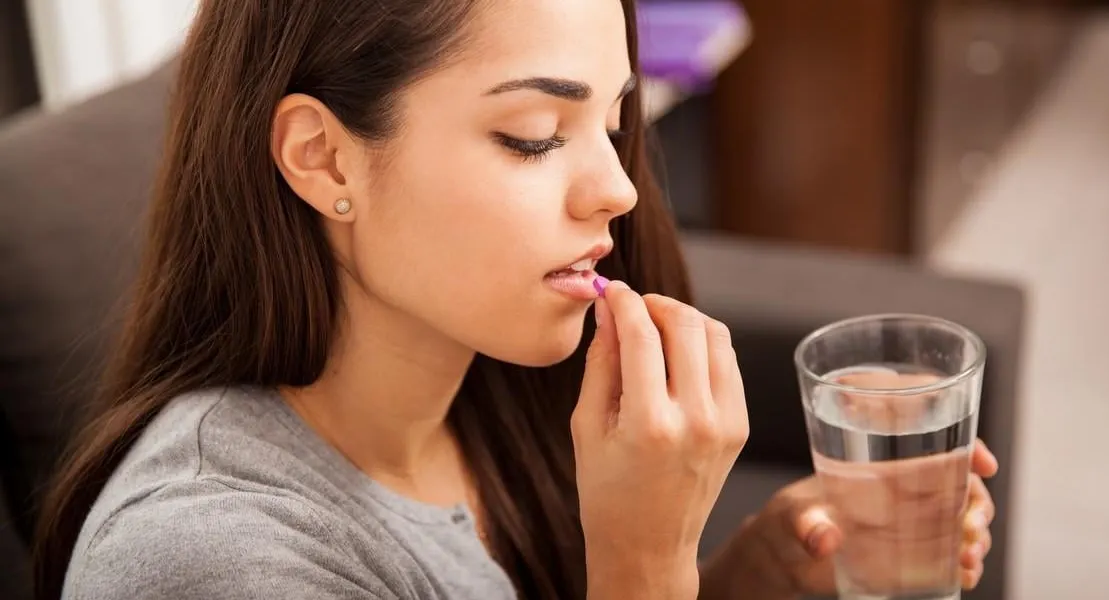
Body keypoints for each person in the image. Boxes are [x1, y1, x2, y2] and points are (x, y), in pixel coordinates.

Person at [32, 1, 999, 599]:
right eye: (534, 134)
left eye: (615, 123)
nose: (618, 190)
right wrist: (642, 569)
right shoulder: (208, 564)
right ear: (323, 157)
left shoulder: (497, 391)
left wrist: (749, 581)